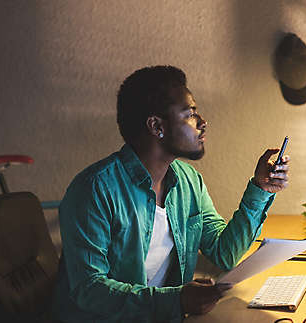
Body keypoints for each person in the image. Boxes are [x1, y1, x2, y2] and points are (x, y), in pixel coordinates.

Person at [51, 66, 290, 323]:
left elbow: (225, 252)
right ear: (156, 126)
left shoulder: (188, 181)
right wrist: (177, 299)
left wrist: (260, 189)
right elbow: (90, 290)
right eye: (190, 114)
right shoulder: (93, 190)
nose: (202, 122)